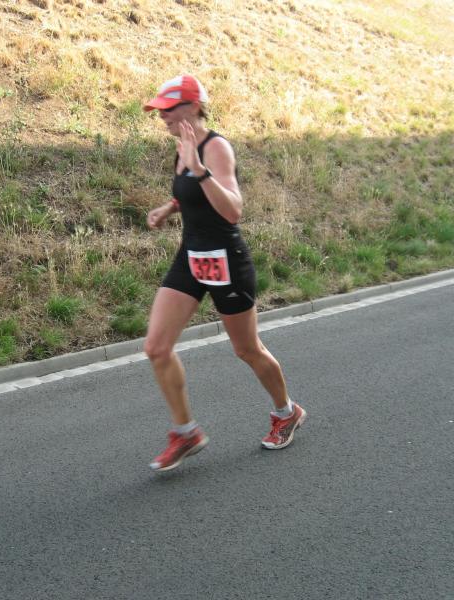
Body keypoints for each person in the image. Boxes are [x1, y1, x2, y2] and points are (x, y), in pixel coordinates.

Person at [142, 74, 307, 472]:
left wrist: (199, 169)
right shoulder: (183, 146)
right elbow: (192, 194)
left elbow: (232, 209)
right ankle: (186, 432)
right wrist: (170, 207)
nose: (162, 117)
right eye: (159, 111)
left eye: (169, 109)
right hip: (192, 256)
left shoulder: (216, 148)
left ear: (193, 107)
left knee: (247, 349)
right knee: (157, 347)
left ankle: (287, 412)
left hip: (226, 259)